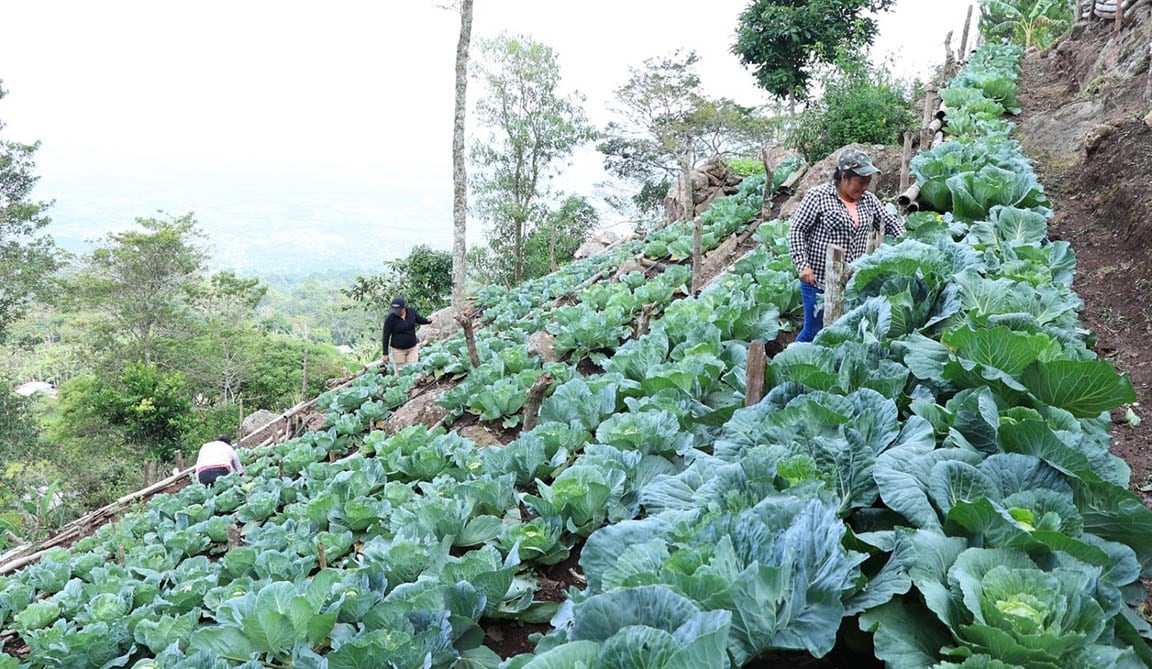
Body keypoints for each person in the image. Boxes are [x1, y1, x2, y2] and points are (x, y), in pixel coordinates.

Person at [786, 148, 906, 342]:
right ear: (844, 177)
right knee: (814, 330)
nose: (865, 187)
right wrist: (803, 266)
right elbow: (797, 230)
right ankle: (789, 366)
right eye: (860, 181)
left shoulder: (868, 200)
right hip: (818, 280)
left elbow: (890, 222)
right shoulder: (818, 196)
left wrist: (906, 242)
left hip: (852, 283)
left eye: (868, 182)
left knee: (844, 331)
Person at [381, 296, 431, 371]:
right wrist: (385, 353)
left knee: (413, 370)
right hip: (398, 350)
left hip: (412, 348)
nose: (396, 312)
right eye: (394, 310)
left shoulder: (411, 312)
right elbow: (386, 336)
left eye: (398, 310)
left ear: (404, 308)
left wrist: (427, 321)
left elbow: (419, 319)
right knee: (401, 372)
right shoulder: (390, 319)